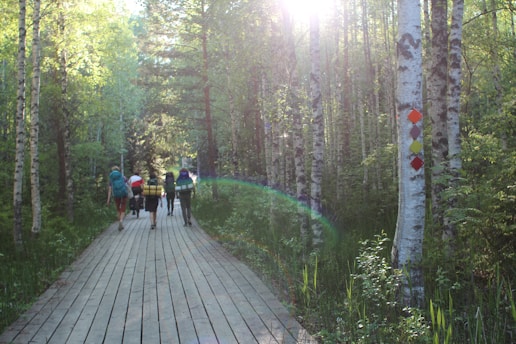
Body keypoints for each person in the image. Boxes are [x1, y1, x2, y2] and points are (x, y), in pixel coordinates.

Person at [106, 166, 128, 231]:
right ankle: (121, 221)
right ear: (118, 170)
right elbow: (128, 185)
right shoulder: (123, 177)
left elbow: (110, 190)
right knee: (123, 208)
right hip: (124, 194)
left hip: (116, 195)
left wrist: (108, 200)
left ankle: (119, 221)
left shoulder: (111, 179)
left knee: (118, 208)